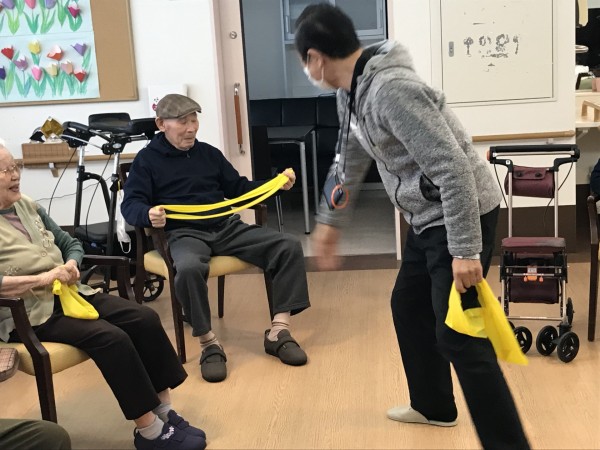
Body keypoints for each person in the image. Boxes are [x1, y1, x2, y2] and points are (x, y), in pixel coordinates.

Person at [294, 4, 529, 450]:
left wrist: (465, 251)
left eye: (304, 61)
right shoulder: (351, 92)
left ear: (315, 58)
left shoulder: (391, 90)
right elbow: (350, 159)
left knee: (461, 337)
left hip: (460, 214)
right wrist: (330, 222)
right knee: (409, 306)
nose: (307, 70)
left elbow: (453, 167)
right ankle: (434, 406)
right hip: (426, 216)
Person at [0, 143, 206, 450]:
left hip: (70, 294)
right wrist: (43, 278)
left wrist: (71, 264)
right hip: (27, 313)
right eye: (5, 171)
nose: (15, 175)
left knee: (144, 318)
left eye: (15, 167)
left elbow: (71, 243)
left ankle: (164, 413)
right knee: (112, 338)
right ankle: (150, 432)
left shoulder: (28, 205)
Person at [121, 94, 310, 383]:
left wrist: (275, 185)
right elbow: (131, 204)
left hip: (224, 227)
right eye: (182, 122)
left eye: (194, 120)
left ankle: (278, 331)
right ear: (161, 124)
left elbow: (238, 189)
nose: (191, 128)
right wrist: (147, 214)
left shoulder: (209, 154)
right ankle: (209, 343)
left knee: (287, 246)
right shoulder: (146, 161)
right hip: (183, 233)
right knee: (188, 268)